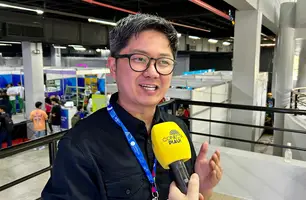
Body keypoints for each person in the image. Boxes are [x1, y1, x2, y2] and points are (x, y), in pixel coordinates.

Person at [42, 13, 222, 200]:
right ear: (113, 66)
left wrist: (204, 187)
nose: (152, 72)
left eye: (163, 62)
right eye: (139, 59)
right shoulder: (80, 146)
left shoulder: (177, 129)